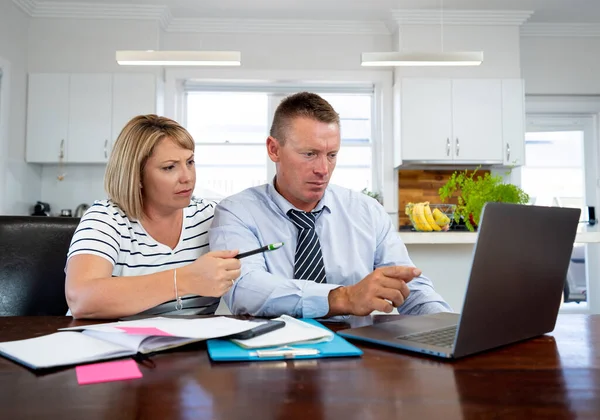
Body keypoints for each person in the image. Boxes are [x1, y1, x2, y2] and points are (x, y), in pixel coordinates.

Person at [209, 92, 451, 318]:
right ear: (274, 149)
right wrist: (342, 298)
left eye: (331, 155)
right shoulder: (237, 212)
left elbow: (411, 290)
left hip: (358, 349)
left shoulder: (367, 211)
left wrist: (445, 325)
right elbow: (243, 288)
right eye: (309, 154)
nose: (323, 170)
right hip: (273, 351)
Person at [65, 115, 241, 319]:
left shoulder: (210, 216)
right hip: (112, 345)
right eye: (169, 167)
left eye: (190, 162)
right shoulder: (106, 218)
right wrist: (184, 280)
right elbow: (81, 299)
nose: (188, 177)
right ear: (137, 176)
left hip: (189, 346)